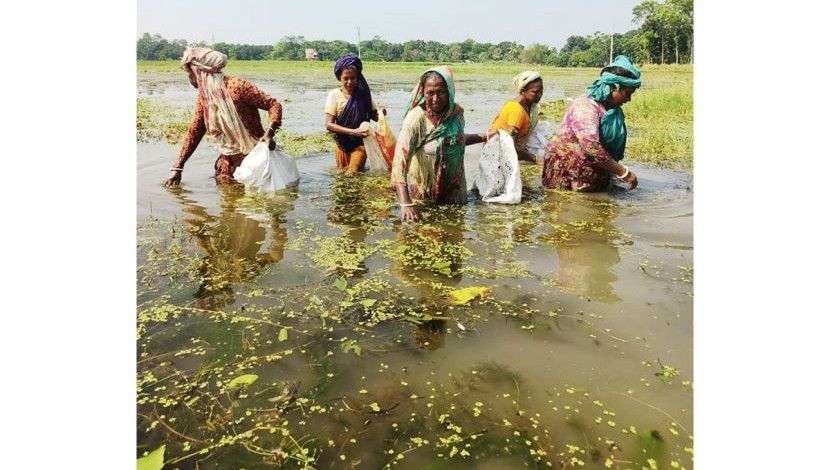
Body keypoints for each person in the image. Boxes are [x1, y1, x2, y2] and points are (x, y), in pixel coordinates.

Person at [163, 47, 283, 186]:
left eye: (190, 72)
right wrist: (177, 168)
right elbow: (194, 132)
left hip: (256, 160)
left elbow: (273, 104)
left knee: (257, 203)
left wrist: (269, 133)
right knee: (228, 205)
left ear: (200, 72)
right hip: (227, 164)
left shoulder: (238, 87)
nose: (189, 77)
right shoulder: (205, 98)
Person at [391, 66, 493, 221]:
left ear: (450, 91)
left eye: (441, 92)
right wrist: (406, 203)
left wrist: (485, 136)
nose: (436, 99)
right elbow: (400, 161)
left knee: (455, 231)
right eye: (430, 93)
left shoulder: (456, 114)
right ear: (422, 93)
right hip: (425, 191)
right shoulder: (416, 119)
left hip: (454, 188)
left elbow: (456, 140)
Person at [541, 55, 641, 192]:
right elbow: (590, 147)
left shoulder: (612, 110)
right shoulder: (585, 106)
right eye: (627, 93)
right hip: (567, 174)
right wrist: (624, 173)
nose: (629, 99)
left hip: (591, 175)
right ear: (613, 87)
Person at [324, 54, 380, 176]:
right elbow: (329, 124)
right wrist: (352, 132)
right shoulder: (334, 95)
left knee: (352, 174)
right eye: (346, 78)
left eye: (353, 78)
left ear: (358, 78)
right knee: (341, 177)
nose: (349, 82)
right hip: (341, 144)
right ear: (340, 77)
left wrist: (381, 113)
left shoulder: (364, 95)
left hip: (360, 144)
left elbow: (374, 117)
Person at [489, 71, 544, 163]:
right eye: (535, 92)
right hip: (497, 153)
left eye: (541, 91)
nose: (540, 95)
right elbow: (508, 146)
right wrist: (535, 159)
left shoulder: (530, 105)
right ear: (523, 91)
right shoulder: (517, 110)